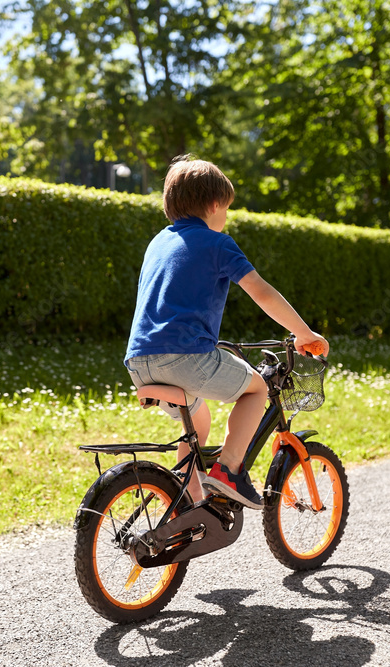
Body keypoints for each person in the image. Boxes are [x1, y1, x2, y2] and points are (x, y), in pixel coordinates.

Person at [124, 155, 329, 509]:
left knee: (196, 422)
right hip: (186, 358)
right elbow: (261, 292)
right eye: (227, 209)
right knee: (257, 389)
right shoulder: (218, 243)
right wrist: (304, 332)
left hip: (139, 361)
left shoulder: (157, 242)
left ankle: (183, 503)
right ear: (216, 203)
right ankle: (230, 470)